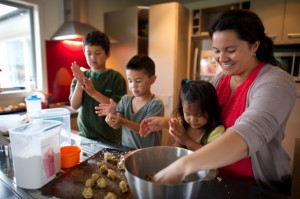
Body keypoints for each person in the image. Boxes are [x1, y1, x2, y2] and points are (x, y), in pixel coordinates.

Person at [148, 9, 296, 195]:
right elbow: (200, 114)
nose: (222, 58)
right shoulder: (220, 80)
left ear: (254, 46)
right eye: (217, 51)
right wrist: (164, 123)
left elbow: (249, 132)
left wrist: (182, 166)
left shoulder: (275, 82)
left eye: (231, 50)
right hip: (218, 178)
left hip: (257, 187)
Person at [69, 31, 127, 144]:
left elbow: (117, 108)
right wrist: (80, 84)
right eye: (88, 53)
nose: (92, 57)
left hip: (110, 139)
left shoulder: (116, 78)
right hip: (85, 136)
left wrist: (93, 92)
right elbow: (74, 105)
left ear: (107, 54)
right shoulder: (80, 76)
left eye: (97, 53)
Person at [96, 55, 164, 149]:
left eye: (138, 81)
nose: (133, 86)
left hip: (149, 154)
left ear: (152, 80)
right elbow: (117, 125)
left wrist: (121, 120)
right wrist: (113, 117)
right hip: (126, 150)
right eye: (130, 81)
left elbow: (143, 129)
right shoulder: (125, 100)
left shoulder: (156, 104)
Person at [140, 79, 224, 151]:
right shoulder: (182, 125)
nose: (193, 120)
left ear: (211, 110)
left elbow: (211, 155)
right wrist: (179, 140)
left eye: (199, 115)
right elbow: (172, 153)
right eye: (188, 114)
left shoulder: (216, 131)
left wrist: (186, 140)